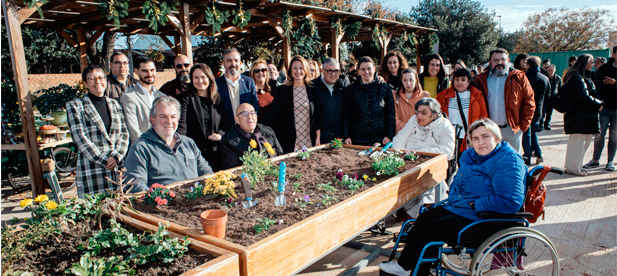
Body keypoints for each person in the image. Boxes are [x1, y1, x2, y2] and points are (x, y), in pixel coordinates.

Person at [379, 118, 526, 276]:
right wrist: (457, 199)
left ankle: (419, 271)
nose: (480, 142)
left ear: (497, 138)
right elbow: (458, 183)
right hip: (464, 208)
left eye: (485, 136)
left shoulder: (508, 161)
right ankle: (405, 266)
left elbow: (510, 201)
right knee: (424, 218)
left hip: (488, 217)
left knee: (434, 228)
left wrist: (475, 205)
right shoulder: (472, 157)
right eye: (475, 139)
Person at [125, 96, 213, 192]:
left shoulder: (188, 143)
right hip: (166, 204)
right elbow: (136, 186)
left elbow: (205, 171)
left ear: (178, 118)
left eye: (173, 116)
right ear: (153, 120)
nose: (169, 121)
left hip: (197, 199)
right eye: (163, 116)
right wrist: (161, 198)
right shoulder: (141, 149)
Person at [67, 65, 130, 197]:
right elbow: (79, 137)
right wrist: (104, 160)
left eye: (101, 77)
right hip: (92, 168)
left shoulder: (115, 104)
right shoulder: (75, 105)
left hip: (116, 167)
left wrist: (117, 155)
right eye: (92, 79)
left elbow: (124, 133)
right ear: (85, 83)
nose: (97, 82)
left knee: (119, 210)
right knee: (95, 211)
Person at [392, 98, 455, 219]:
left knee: (428, 188)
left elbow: (447, 151)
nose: (419, 116)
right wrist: (402, 155)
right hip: (405, 164)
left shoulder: (445, 126)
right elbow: (399, 139)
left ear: (435, 114)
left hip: (429, 169)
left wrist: (417, 154)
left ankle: (423, 218)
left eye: (424, 113)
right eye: (417, 112)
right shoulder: (413, 121)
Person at [474, 48, 535, 154]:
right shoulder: (481, 79)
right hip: (488, 131)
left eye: (502, 59)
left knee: (512, 164)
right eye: (495, 60)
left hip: (511, 131)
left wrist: (522, 127)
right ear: (490, 62)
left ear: (508, 60)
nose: (499, 63)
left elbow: (529, 102)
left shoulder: (519, 78)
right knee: (490, 164)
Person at [177, 63, 232, 172]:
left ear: (210, 78)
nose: (200, 81)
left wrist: (220, 134)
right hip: (193, 151)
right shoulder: (185, 98)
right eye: (195, 77)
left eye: (203, 77)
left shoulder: (217, 99)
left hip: (216, 151)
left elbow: (227, 123)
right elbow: (182, 124)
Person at [262, 55, 316, 153]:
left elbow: (318, 115)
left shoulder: (313, 89)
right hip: (290, 141)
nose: (298, 71)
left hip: (309, 139)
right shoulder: (283, 90)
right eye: (295, 68)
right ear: (290, 70)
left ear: (306, 70)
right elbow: (273, 112)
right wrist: (260, 127)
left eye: (301, 68)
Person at [562, 54, 604, 176]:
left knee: (583, 142)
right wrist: (598, 104)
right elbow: (583, 96)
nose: (593, 64)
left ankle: (577, 167)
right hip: (579, 117)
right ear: (585, 63)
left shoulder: (583, 76)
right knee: (578, 143)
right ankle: (573, 168)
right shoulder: (576, 77)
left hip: (584, 116)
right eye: (591, 62)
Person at [343, 56, 395, 146]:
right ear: (358, 71)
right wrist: (346, 135)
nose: (366, 72)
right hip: (357, 139)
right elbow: (346, 114)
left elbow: (390, 113)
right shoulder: (351, 89)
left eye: (369, 68)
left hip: (380, 140)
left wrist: (389, 135)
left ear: (374, 69)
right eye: (363, 69)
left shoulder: (384, 88)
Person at [436, 68, 488, 154]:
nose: (459, 83)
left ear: (468, 81)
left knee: (466, 163)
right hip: (449, 136)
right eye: (457, 79)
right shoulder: (443, 95)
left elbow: (484, 116)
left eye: (463, 80)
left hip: (468, 136)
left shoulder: (477, 95)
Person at [220, 103, 284, 169]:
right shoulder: (228, 140)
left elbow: (281, 156)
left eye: (252, 113)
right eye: (245, 114)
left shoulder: (268, 132)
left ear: (256, 117)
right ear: (237, 120)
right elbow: (233, 169)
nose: (250, 117)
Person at [584, 46, 616, 171]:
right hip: (605, 107)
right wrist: (599, 103)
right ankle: (595, 159)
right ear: (613, 54)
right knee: (599, 135)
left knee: (614, 136)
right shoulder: (604, 68)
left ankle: (610, 162)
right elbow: (596, 87)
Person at [121, 55, 165, 144]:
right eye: (145, 71)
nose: (149, 74)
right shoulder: (129, 97)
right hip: (143, 149)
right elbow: (133, 131)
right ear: (136, 71)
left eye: (152, 70)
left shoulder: (162, 96)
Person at [215, 48, 259, 126]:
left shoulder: (248, 82)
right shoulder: (216, 84)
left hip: (245, 131)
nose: (233, 64)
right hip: (225, 132)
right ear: (223, 64)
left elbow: (254, 108)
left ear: (240, 63)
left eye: (236, 60)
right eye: (229, 61)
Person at [313, 58, 350, 144]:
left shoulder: (343, 87)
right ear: (323, 71)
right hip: (320, 138)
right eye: (330, 71)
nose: (333, 74)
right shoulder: (313, 87)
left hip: (339, 138)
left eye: (336, 71)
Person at [522, 56, 550, 165]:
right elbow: (548, 95)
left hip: (526, 109)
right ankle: (539, 154)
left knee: (526, 134)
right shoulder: (545, 78)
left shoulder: (524, 77)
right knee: (533, 133)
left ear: (528, 65)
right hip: (539, 109)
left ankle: (527, 156)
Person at [393, 68, 429, 134]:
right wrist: (410, 129)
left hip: (421, 136)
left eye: (411, 80)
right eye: (405, 80)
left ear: (416, 80)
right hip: (401, 135)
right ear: (401, 81)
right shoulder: (395, 95)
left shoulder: (425, 95)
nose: (408, 83)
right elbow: (395, 120)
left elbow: (428, 118)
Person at [540, 64, 562, 130]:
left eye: (551, 70)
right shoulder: (544, 77)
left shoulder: (558, 78)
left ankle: (547, 125)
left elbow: (560, 89)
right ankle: (540, 125)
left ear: (554, 70)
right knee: (542, 113)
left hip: (553, 98)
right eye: (549, 70)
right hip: (545, 98)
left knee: (549, 113)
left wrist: (559, 97)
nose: (550, 72)